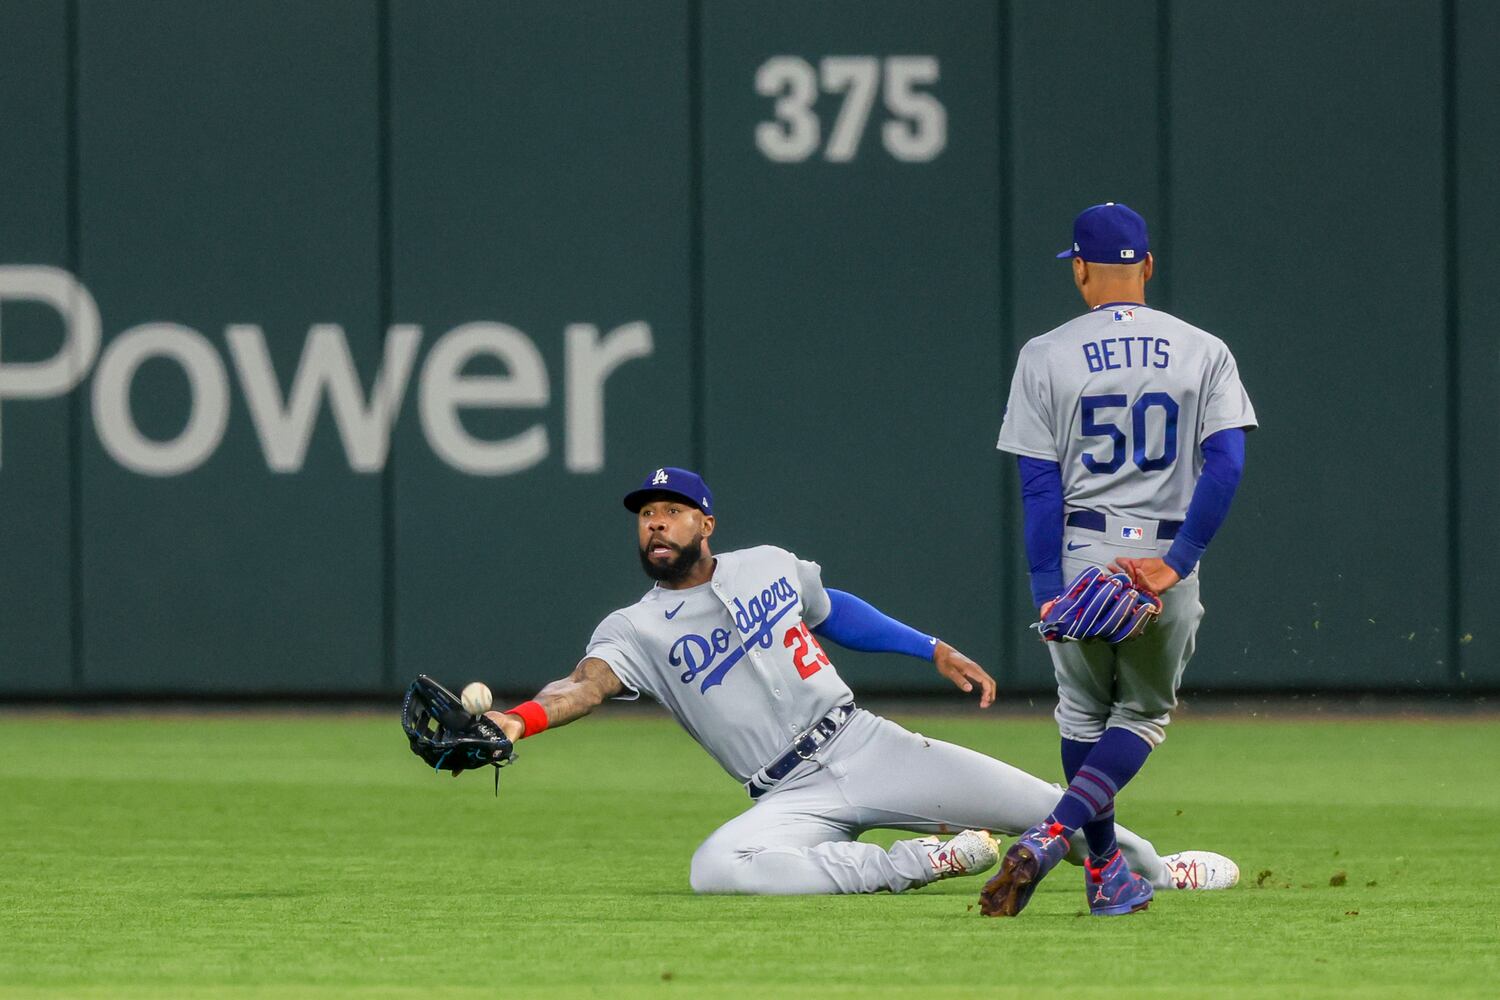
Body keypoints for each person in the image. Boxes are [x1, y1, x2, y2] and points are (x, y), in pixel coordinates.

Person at [485, 465, 1236, 897]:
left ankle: (1158, 870)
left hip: (868, 745)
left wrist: (928, 647)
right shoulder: (633, 628)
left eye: (672, 511)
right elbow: (581, 686)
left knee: (1048, 809)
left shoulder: (768, 564)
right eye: (646, 514)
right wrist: (518, 720)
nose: (656, 523)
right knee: (714, 868)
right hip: (787, 794)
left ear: (705, 524)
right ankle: (922, 862)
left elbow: (832, 609)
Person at [983, 202, 1255, 917]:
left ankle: (1101, 868)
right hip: (1162, 552)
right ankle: (1064, 844)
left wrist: (1048, 587)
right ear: (1148, 266)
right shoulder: (1205, 349)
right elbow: (1226, 465)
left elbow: (1039, 486)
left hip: (1082, 549)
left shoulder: (1044, 353)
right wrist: (1176, 561)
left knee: (1081, 714)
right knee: (1140, 715)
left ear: (1079, 269)